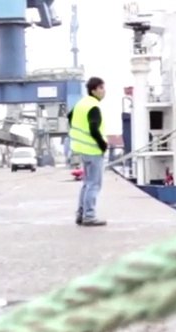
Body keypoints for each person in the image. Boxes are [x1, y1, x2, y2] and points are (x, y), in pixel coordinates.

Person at [67, 76, 108, 226]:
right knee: (94, 184)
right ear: (94, 90)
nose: (104, 91)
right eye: (102, 88)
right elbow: (93, 128)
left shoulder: (81, 104)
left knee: (87, 183)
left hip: (82, 149)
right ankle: (89, 216)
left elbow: (69, 117)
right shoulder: (93, 106)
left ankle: (81, 214)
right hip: (93, 150)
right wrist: (103, 144)